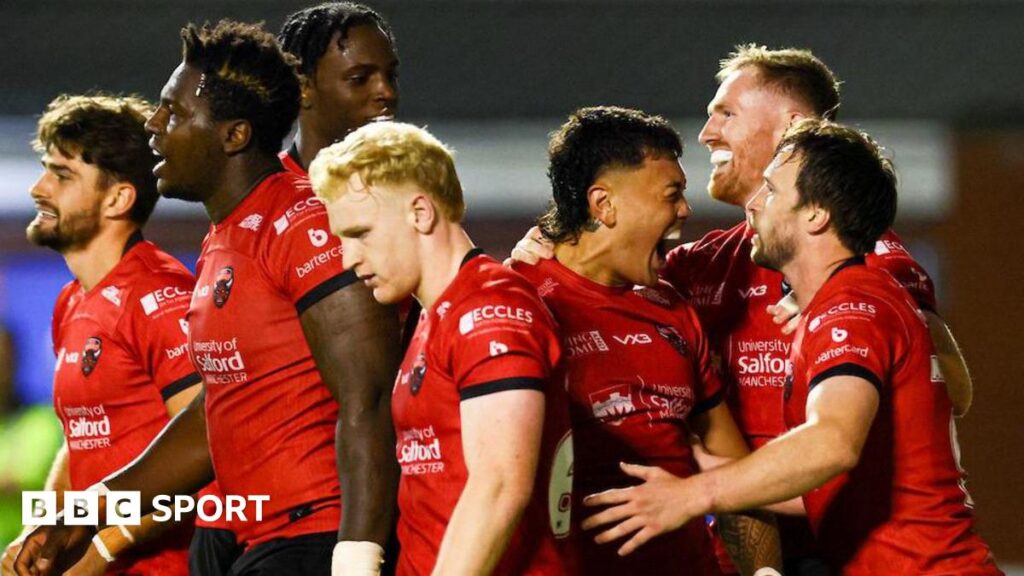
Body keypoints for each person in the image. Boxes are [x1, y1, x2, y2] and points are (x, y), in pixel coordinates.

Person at [511, 45, 973, 574]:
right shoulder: (700, 269)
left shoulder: (864, 280)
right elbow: (604, 270)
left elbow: (915, 405)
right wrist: (544, 249)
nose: (707, 133)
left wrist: (695, 490)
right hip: (773, 541)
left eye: (726, 113)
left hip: (865, 553)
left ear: (792, 129)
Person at [14, 21, 400, 576]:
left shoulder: (305, 223)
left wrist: (358, 555)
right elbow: (208, 421)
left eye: (173, 112)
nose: (154, 125)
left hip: (315, 537)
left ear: (233, 135)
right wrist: (82, 511)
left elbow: (370, 398)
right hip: (253, 537)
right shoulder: (225, 238)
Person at [581, 119, 1002, 575]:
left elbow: (832, 443)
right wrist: (703, 466)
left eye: (771, 191)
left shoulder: (851, 310)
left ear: (816, 215)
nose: (754, 205)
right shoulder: (853, 300)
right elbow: (834, 489)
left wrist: (691, 495)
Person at [512, 106, 781, 576]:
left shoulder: (672, 309)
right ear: (604, 205)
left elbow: (736, 479)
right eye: (671, 194)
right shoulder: (518, 303)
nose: (686, 209)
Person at [309, 121, 568, 575]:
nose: (348, 259)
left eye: (361, 233)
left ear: (420, 212)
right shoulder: (438, 314)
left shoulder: (489, 309)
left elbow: (500, 486)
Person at [2, 94, 219, 576]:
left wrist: (104, 551)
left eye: (62, 176)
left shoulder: (160, 296)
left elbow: (210, 450)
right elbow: (79, 446)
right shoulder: (71, 302)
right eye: (45, 170)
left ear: (118, 199)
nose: (39, 188)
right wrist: (37, 533)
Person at [278, 1, 399, 176]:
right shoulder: (262, 190)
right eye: (359, 79)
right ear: (303, 88)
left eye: (391, 75)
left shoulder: (425, 183)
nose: (388, 92)